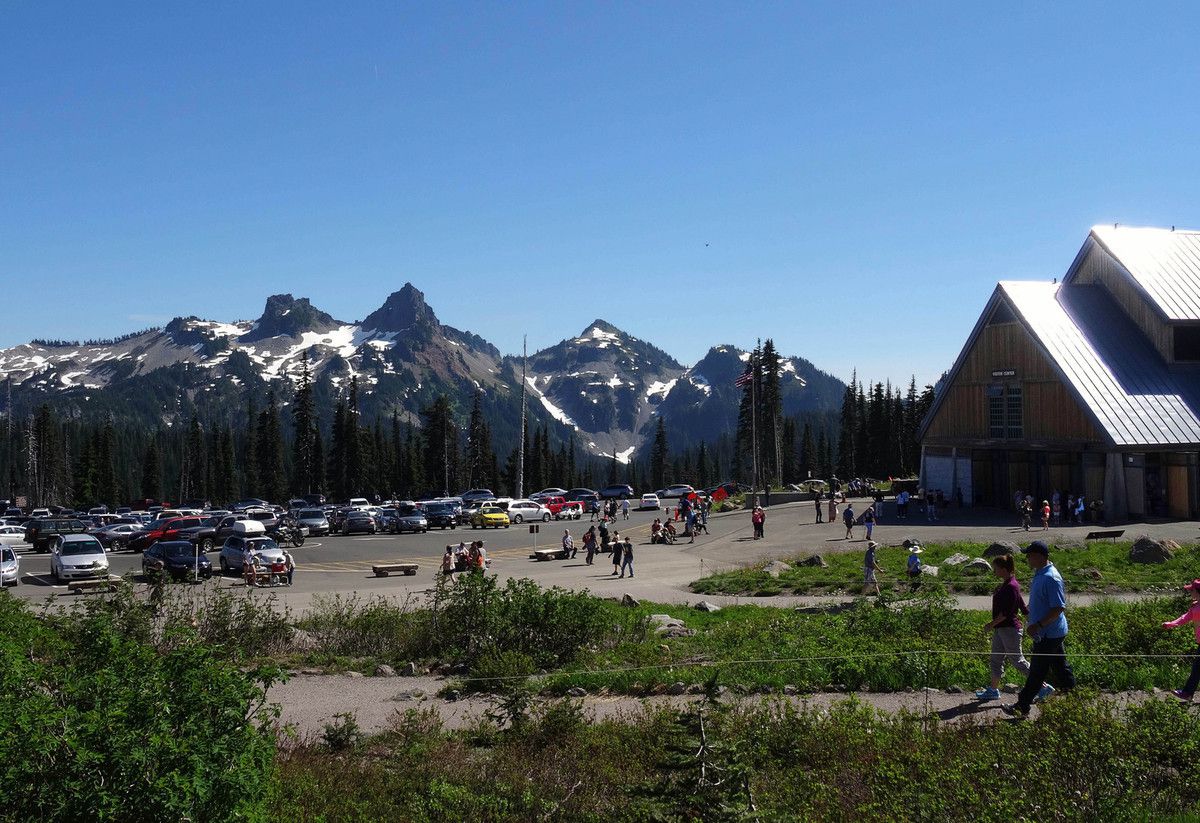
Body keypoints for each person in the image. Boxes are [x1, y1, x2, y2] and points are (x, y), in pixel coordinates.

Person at [1011, 540, 1075, 717]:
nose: (1028, 559)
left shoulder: (1051, 578)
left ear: (1039, 557)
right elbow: (1043, 601)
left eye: (1029, 556)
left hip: (1048, 633)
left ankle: (1022, 706)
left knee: (1037, 671)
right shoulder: (1041, 573)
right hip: (1050, 632)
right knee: (1061, 667)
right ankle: (1074, 696)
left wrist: (1038, 625)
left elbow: (1058, 607)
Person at [975, 554, 1031, 701]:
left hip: (1010, 629)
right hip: (1001, 629)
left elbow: (1006, 613)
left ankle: (1041, 685)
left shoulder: (1011, 586)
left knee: (1018, 661)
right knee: (996, 659)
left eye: (996, 569)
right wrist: (1027, 615)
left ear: (1004, 569)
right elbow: (1022, 606)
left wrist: (990, 625)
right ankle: (993, 690)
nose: (994, 571)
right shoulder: (1008, 584)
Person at [1162, 579, 1200, 701]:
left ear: (1197, 592)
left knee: (1197, 668)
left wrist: (1171, 624)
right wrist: (1171, 623)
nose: (1190, 592)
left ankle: (1187, 693)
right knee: (1197, 668)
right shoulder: (1195, 606)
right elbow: (1185, 617)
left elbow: (1185, 618)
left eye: (1191, 590)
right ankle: (1187, 693)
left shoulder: (1197, 608)